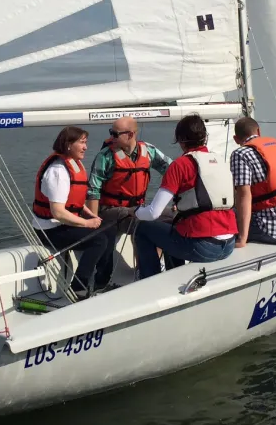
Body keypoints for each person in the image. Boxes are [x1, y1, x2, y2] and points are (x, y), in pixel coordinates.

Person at [132, 114, 236, 279]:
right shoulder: (220, 160)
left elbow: (153, 213)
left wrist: (137, 212)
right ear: (205, 137)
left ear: (180, 140)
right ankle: (174, 276)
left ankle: (149, 281)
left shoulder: (180, 165)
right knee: (174, 229)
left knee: (143, 229)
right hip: (229, 244)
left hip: (204, 248)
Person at [31, 126, 111, 297]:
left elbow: (73, 201)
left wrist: (90, 214)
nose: (85, 147)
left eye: (86, 142)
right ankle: (78, 288)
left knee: (108, 230)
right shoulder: (58, 171)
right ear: (68, 144)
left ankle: (101, 282)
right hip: (50, 230)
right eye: (81, 143)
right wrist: (87, 223)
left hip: (63, 225)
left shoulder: (72, 165)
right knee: (99, 241)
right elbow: (58, 212)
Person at [85, 117, 173, 270]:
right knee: (147, 223)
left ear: (131, 134)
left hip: (137, 208)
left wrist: (179, 199)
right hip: (110, 212)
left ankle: (157, 265)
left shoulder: (149, 151)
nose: (111, 137)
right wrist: (93, 223)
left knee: (174, 217)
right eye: (111, 133)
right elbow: (93, 190)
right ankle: (146, 270)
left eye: (115, 134)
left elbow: (172, 172)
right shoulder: (105, 156)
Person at [229, 117, 276, 247]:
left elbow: (244, 195)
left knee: (220, 221)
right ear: (258, 132)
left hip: (273, 231)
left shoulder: (240, 154)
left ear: (236, 139)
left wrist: (242, 238)